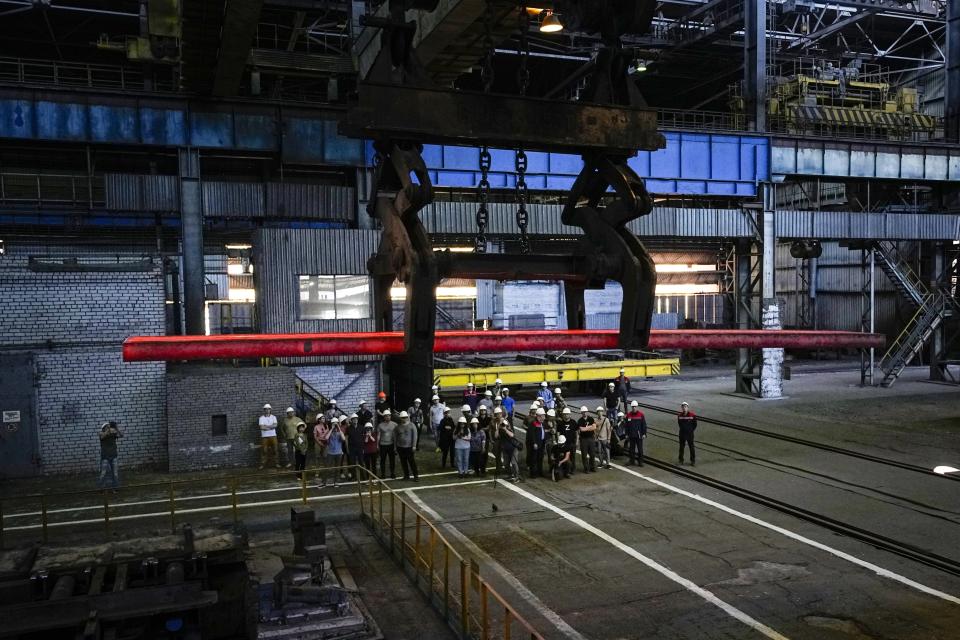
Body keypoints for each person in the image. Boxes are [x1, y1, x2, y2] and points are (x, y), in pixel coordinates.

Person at [97, 421, 122, 490]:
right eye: (107, 427)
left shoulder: (113, 434)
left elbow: (121, 435)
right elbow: (102, 436)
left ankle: (115, 488)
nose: (109, 428)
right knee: (103, 474)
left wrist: (116, 428)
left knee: (115, 474)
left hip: (114, 456)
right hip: (105, 457)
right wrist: (108, 430)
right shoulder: (101, 433)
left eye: (109, 426)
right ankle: (101, 488)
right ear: (103, 428)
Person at [395, 410, 420, 481]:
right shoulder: (398, 427)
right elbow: (395, 437)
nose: (404, 418)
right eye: (402, 417)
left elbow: (415, 436)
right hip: (400, 447)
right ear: (400, 418)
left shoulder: (412, 425)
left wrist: (414, 445)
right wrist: (395, 447)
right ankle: (406, 475)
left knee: (412, 462)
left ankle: (416, 476)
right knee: (403, 462)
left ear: (407, 417)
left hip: (409, 447)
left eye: (405, 417)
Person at [498, 418, 521, 482]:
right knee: (506, 463)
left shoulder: (510, 429)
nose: (503, 426)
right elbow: (496, 436)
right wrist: (498, 427)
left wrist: (505, 429)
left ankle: (517, 476)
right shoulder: (500, 430)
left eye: (504, 425)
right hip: (505, 449)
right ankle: (510, 474)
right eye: (502, 425)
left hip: (513, 449)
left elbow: (512, 435)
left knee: (514, 463)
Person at [624, 401, 647, 466]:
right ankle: (632, 461)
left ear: (637, 407)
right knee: (631, 450)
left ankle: (640, 462)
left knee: (640, 450)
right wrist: (626, 434)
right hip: (631, 435)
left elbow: (644, 425)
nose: (634, 408)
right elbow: (626, 426)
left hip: (639, 435)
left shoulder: (641, 415)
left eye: (635, 406)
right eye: (633, 407)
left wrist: (644, 433)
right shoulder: (628, 415)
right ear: (631, 407)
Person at [377, 409, 398, 479]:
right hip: (383, 445)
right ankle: (383, 474)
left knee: (392, 460)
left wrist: (395, 446)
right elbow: (378, 436)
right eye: (386, 416)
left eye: (389, 416)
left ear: (390, 416)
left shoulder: (395, 425)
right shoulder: (380, 425)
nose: (388, 417)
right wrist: (377, 445)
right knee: (382, 460)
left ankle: (392, 473)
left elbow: (397, 435)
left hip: (391, 445)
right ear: (384, 417)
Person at [324, 417, 345, 486]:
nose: (335, 425)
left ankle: (336, 482)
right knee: (327, 467)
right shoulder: (329, 432)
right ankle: (324, 482)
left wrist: (338, 427)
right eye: (333, 424)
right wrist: (332, 428)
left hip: (338, 453)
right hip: (330, 453)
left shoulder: (340, 433)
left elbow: (344, 439)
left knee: (337, 468)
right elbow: (326, 438)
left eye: (336, 424)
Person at [558, 407, 578, 476]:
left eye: (567, 414)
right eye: (565, 414)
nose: (566, 415)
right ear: (563, 415)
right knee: (564, 457)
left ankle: (573, 469)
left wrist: (577, 441)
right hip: (564, 444)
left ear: (570, 414)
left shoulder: (573, 422)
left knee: (573, 457)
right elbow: (558, 433)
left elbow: (576, 432)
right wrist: (558, 441)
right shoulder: (560, 423)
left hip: (572, 443)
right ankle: (565, 470)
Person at [258, 404, 280, 470]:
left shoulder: (273, 417)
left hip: (273, 436)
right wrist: (271, 426)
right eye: (266, 409)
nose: (267, 410)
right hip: (264, 436)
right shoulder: (261, 418)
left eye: (268, 409)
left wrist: (266, 427)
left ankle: (277, 463)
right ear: (264, 410)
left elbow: (275, 425)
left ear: (270, 410)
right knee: (264, 451)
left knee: (275, 450)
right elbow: (261, 427)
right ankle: (263, 464)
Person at [527, 408, 546, 478]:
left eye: (543, 416)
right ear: (537, 416)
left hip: (541, 443)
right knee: (534, 459)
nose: (542, 418)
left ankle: (540, 472)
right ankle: (533, 474)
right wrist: (534, 443)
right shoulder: (533, 423)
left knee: (540, 458)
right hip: (536, 444)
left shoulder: (542, 423)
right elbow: (531, 434)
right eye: (541, 416)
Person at [678, 401, 698, 466]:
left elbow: (695, 424)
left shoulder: (693, 415)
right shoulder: (679, 416)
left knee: (691, 447)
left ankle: (693, 461)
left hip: (690, 434)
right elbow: (679, 424)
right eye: (683, 407)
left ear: (688, 407)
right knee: (681, 447)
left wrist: (691, 430)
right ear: (681, 408)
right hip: (682, 434)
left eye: (685, 407)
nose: (684, 408)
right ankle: (681, 460)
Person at [344, 413, 364, 480]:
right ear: (351, 420)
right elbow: (346, 439)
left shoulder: (361, 427)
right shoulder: (348, 428)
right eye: (354, 419)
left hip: (360, 448)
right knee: (352, 463)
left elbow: (363, 438)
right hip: (352, 448)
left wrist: (363, 448)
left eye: (356, 419)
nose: (355, 420)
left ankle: (363, 477)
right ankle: (353, 476)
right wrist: (347, 448)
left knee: (361, 462)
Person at [578, 407, 597, 473]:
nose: (584, 413)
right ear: (581, 413)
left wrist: (586, 428)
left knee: (592, 454)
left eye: (585, 412)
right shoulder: (580, 420)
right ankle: (586, 468)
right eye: (583, 412)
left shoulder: (591, 418)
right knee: (584, 455)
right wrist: (590, 427)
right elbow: (581, 430)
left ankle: (592, 467)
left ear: (587, 412)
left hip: (591, 438)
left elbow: (594, 427)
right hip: (583, 439)